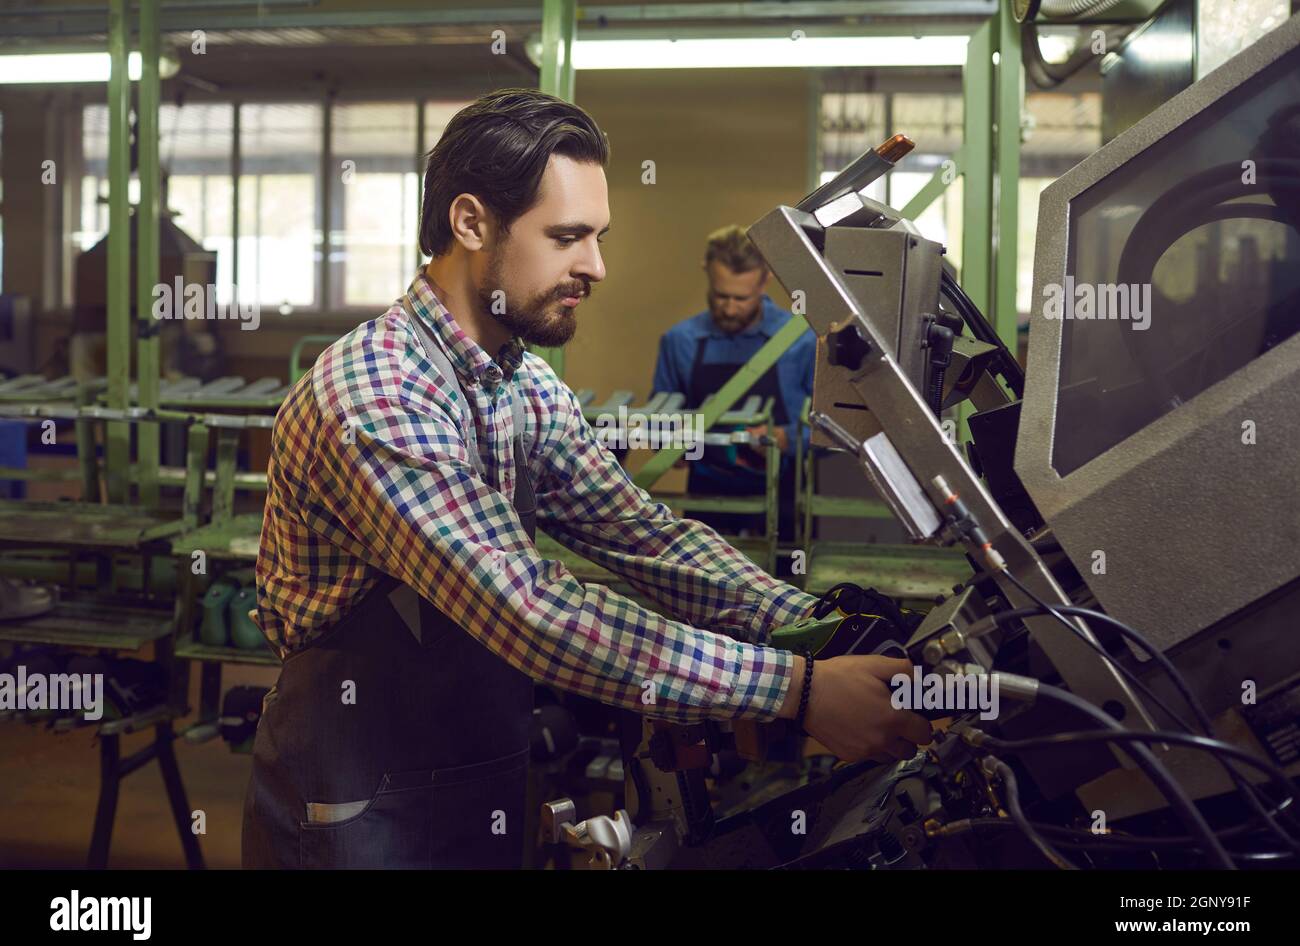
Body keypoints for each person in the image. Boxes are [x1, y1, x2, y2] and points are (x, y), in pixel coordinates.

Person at [242, 88, 930, 869]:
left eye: (598, 236)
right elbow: (532, 609)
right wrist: (800, 690)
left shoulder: (520, 384)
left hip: (478, 782)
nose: (596, 267)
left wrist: (810, 625)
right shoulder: (378, 395)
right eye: (567, 237)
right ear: (471, 223)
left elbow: (645, 537)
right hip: (358, 806)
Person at [652, 226, 815, 544]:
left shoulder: (800, 341)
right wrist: (672, 444)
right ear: (707, 273)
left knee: (786, 586)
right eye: (720, 295)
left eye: (741, 298)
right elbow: (660, 421)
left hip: (783, 503)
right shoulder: (679, 341)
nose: (729, 308)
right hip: (705, 503)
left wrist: (787, 439)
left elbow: (831, 431)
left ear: (765, 280)